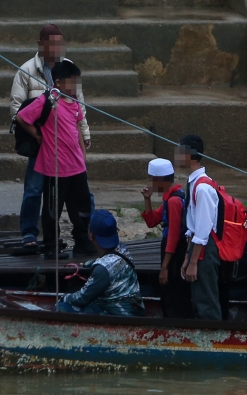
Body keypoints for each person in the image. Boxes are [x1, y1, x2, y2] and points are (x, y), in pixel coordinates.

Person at [10, 24, 91, 253]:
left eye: (60, 43)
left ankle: (86, 234)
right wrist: (37, 134)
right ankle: (30, 234)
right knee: (35, 189)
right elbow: (17, 109)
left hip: (68, 146)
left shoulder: (69, 70)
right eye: (52, 43)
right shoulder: (26, 71)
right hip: (41, 145)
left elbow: (79, 108)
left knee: (81, 192)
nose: (57, 48)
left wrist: (84, 134)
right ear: (41, 44)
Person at [55, 210, 144, 316]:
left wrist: (64, 297)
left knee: (60, 308)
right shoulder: (123, 249)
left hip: (117, 315)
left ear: (91, 235)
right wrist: (90, 263)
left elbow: (82, 298)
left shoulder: (102, 269)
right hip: (136, 309)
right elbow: (111, 261)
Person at [176, 135, 222, 320]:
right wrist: (188, 256)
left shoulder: (202, 187)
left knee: (206, 301)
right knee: (198, 298)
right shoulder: (194, 182)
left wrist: (194, 261)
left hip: (205, 248)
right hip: (196, 247)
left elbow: (203, 230)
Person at [141, 158, 191, 319]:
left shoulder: (174, 201)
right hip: (171, 252)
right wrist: (147, 199)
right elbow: (152, 221)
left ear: (159, 180)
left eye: (151, 179)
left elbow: (174, 236)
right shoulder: (169, 199)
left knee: (174, 297)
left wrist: (164, 267)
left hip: (175, 254)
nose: (149, 182)